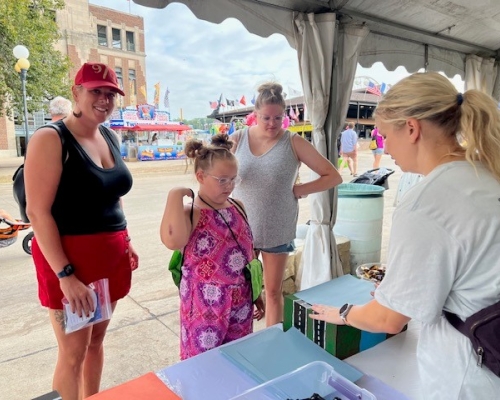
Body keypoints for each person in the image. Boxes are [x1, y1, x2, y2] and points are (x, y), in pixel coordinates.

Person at [310, 72, 500, 398]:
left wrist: (344, 313)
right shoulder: (486, 173)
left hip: (466, 375)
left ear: (411, 128)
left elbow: (388, 319)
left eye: (384, 135)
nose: (384, 146)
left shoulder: (426, 203)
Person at [24, 62, 138, 400]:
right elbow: (37, 211)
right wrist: (65, 275)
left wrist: (127, 240)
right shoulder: (51, 138)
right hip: (71, 264)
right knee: (73, 353)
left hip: (110, 261)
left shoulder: (109, 135)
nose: (104, 99)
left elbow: (113, 196)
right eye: (95, 91)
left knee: (96, 343)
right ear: (76, 93)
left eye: (110, 93)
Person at [231, 82, 342, 327]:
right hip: (239, 229)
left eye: (278, 118)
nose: (272, 123)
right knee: (240, 292)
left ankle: (272, 345)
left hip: (276, 228)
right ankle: (241, 341)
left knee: (272, 292)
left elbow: (333, 176)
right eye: (266, 117)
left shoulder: (293, 142)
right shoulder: (237, 139)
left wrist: (298, 190)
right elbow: (215, 171)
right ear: (255, 115)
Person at [160, 134, 265, 360]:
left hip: (241, 299)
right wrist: (175, 195)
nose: (229, 186)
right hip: (204, 305)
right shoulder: (192, 213)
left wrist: (256, 291)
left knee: (239, 358)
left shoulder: (238, 206)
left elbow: (248, 253)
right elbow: (172, 241)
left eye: (233, 179)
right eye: (222, 180)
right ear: (200, 176)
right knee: (202, 362)